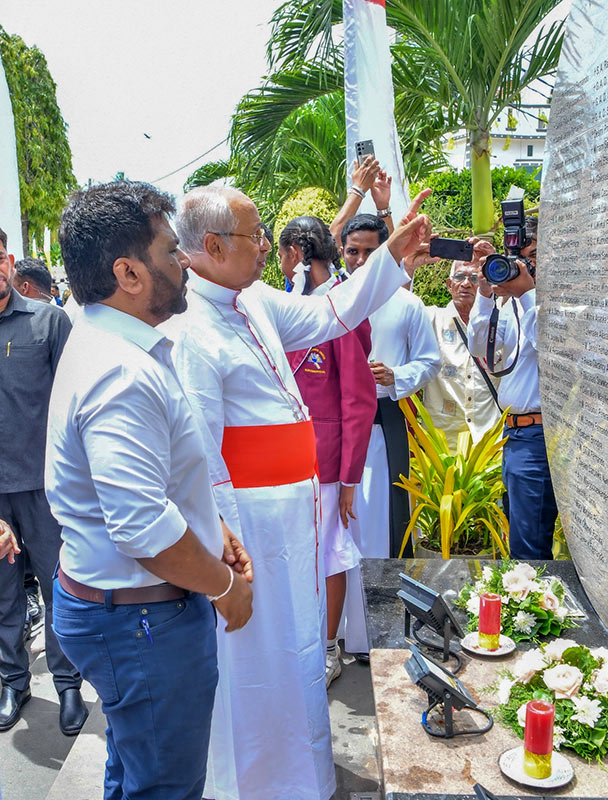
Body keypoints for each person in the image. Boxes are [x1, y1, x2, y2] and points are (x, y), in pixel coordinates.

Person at [165, 184, 431, 800]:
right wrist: (227, 560)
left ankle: (302, 777)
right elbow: (205, 463)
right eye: (254, 236)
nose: (266, 247)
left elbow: (332, 313)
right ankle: (259, 785)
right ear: (210, 246)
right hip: (250, 532)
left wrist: (389, 258)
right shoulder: (192, 330)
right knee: (258, 663)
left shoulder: (254, 299)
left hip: (292, 515)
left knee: (300, 650)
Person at [47, 181, 253, 798]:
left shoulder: (121, 347)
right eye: (171, 252)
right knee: (164, 787)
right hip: (142, 621)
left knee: (137, 768)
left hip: (130, 612)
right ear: (128, 273)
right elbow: (139, 527)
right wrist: (224, 588)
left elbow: (154, 478)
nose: (186, 262)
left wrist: (210, 528)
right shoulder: (121, 370)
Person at [338, 213, 441, 657]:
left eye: (370, 251)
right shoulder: (330, 302)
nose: (361, 261)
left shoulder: (407, 305)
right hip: (336, 434)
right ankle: (334, 633)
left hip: (382, 430)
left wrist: (396, 376)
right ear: (341, 252)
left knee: (380, 525)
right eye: (352, 251)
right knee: (334, 532)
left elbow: (431, 361)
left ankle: (373, 633)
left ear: (387, 250)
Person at [280, 216, 376, 687]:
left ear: (296, 253)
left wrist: (350, 478)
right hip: (281, 462)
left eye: (282, 253)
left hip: (327, 463)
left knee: (331, 556)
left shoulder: (339, 309)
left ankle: (330, 646)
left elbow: (358, 398)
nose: (277, 264)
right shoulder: (286, 306)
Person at [0, 227, 86, 735]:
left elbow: (75, 402)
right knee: (3, 592)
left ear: (7, 260)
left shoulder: (48, 321)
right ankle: (12, 681)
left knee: (60, 586)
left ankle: (68, 684)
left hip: (46, 487)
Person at [467, 217, 559, 560]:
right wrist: (486, 291)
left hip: (539, 438)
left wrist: (526, 292)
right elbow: (480, 348)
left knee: (530, 547)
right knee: (519, 536)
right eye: (518, 257)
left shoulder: (555, 303)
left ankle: (532, 609)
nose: (524, 265)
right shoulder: (513, 304)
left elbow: (546, 345)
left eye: (532, 255)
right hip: (514, 435)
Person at [423, 258, 501, 450]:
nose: (466, 283)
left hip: (491, 442)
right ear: (449, 284)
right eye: (459, 277)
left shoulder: (501, 323)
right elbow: (399, 306)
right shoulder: (432, 319)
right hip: (443, 445)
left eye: (474, 278)